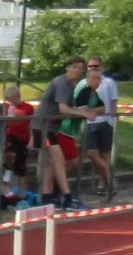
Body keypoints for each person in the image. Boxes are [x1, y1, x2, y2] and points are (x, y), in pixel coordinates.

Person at [28, 57, 88, 207]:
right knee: (57, 159)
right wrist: (83, 113)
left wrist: (82, 111)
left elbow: (69, 109)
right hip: (43, 125)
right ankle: (65, 195)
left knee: (49, 162)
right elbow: (63, 109)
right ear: (67, 67)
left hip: (51, 126)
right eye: (74, 67)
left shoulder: (70, 85)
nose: (77, 70)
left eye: (80, 68)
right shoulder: (62, 82)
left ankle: (47, 196)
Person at [81, 53, 118, 194]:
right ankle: (110, 179)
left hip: (105, 121)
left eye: (96, 66)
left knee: (105, 154)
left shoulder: (108, 82)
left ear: (101, 67)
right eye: (90, 66)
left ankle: (103, 184)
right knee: (92, 153)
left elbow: (113, 102)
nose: (93, 68)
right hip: (89, 122)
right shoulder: (83, 83)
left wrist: (112, 120)